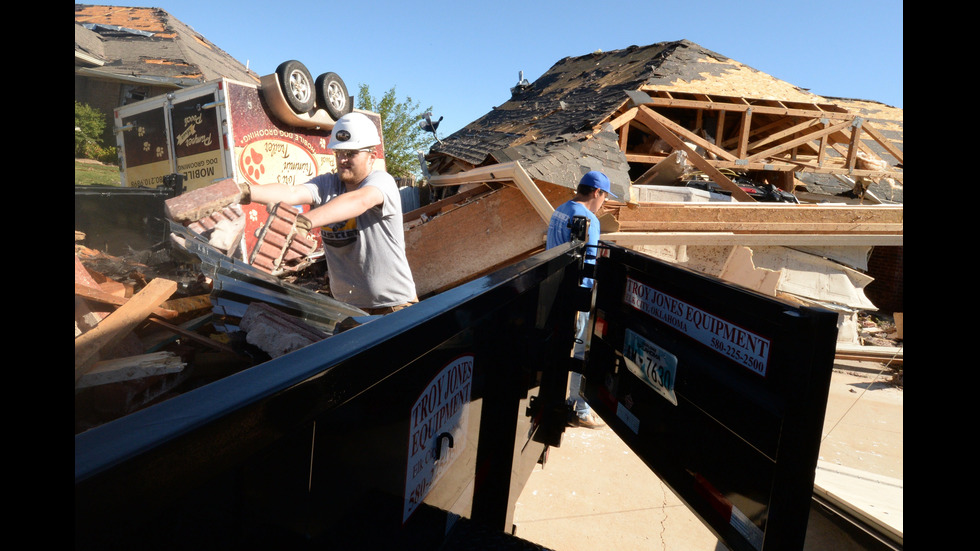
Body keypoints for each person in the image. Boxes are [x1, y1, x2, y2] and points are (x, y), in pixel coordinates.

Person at [241, 112, 418, 315]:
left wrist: (303, 222)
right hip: (347, 309)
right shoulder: (328, 184)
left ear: (372, 157)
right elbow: (291, 192)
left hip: (394, 306)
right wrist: (245, 191)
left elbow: (360, 200)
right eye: (338, 153)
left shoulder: (381, 181)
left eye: (351, 153)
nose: (342, 160)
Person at [546, 170, 616, 429]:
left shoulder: (560, 209)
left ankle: (557, 400)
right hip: (577, 293)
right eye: (605, 196)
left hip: (555, 289)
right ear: (596, 192)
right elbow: (590, 262)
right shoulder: (589, 219)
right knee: (581, 352)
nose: (605, 202)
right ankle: (581, 410)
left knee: (558, 348)